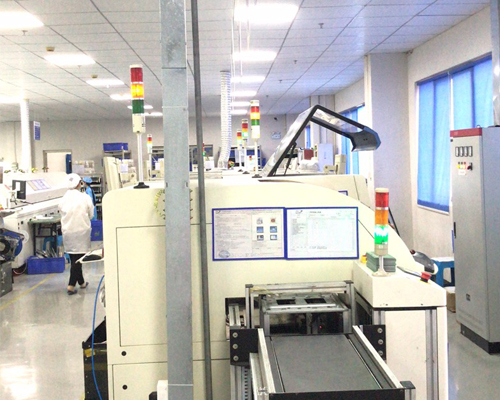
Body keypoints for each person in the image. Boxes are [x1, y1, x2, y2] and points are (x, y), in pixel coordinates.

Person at [58, 173, 94, 295]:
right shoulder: (85, 198)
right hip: (82, 231)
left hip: (68, 231)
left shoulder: (62, 200)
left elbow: (61, 214)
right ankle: (71, 285)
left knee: (74, 257)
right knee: (78, 259)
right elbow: (91, 214)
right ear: (79, 184)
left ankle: (82, 282)